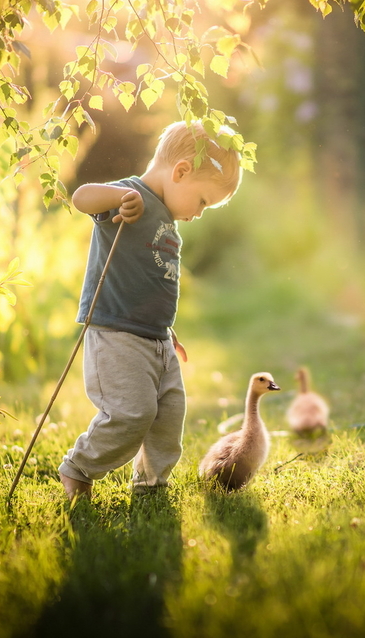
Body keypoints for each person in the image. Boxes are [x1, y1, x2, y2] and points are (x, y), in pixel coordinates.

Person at [58, 120, 242, 501]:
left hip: (156, 337)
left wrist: (166, 328)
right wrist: (117, 199)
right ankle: (79, 468)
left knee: (169, 415)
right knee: (132, 413)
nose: (200, 213)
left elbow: (152, 280)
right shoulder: (130, 195)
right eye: (204, 201)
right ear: (181, 171)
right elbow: (81, 197)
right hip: (117, 333)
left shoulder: (169, 220)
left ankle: (152, 484)